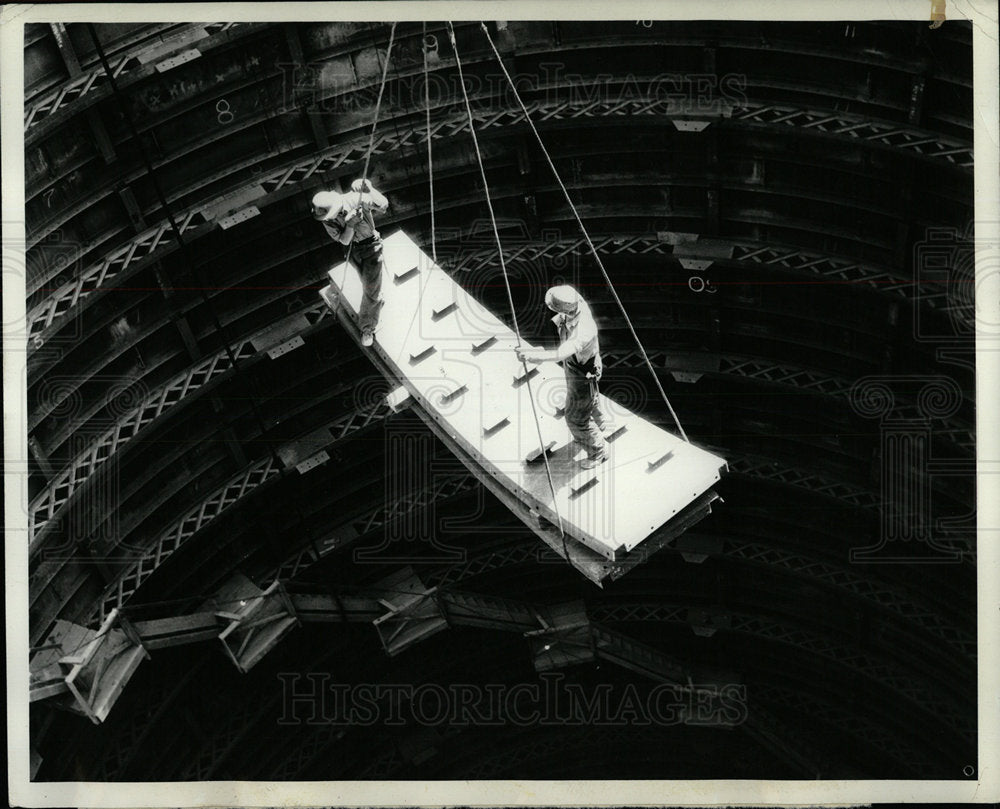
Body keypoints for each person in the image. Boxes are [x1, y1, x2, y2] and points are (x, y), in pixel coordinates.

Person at [515, 285, 612, 469]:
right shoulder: (574, 301)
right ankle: (600, 426)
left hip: (583, 371)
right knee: (590, 399)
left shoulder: (585, 329)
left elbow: (562, 353)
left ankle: (598, 451)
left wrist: (535, 356)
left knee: (575, 418)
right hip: (577, 365)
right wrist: (535, 352)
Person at [311, 178, 389, 346]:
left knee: (370, 288)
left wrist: (370, 189)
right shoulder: (327, 220)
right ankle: (376, 300)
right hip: (353, 250)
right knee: (367, 283)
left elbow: (383, 206)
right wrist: (350, 224)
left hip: (372, 248)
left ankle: (367, 328)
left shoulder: (355, 199)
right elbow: (345, 240)